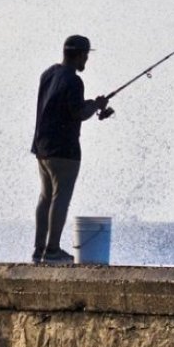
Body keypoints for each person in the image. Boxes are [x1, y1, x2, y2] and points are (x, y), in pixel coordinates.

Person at [31, 34, 110, 264]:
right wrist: (96, 105)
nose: (86, 59)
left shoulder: (49, 74)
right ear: (79, 55)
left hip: (42, 147)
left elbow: (64, 108)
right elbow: (78, 113)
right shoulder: (74, 81)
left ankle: (39, 250)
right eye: (85, 55)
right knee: (60, 199)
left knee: (45, 198)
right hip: (64, 151)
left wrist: (93, 105)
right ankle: (53, 250)